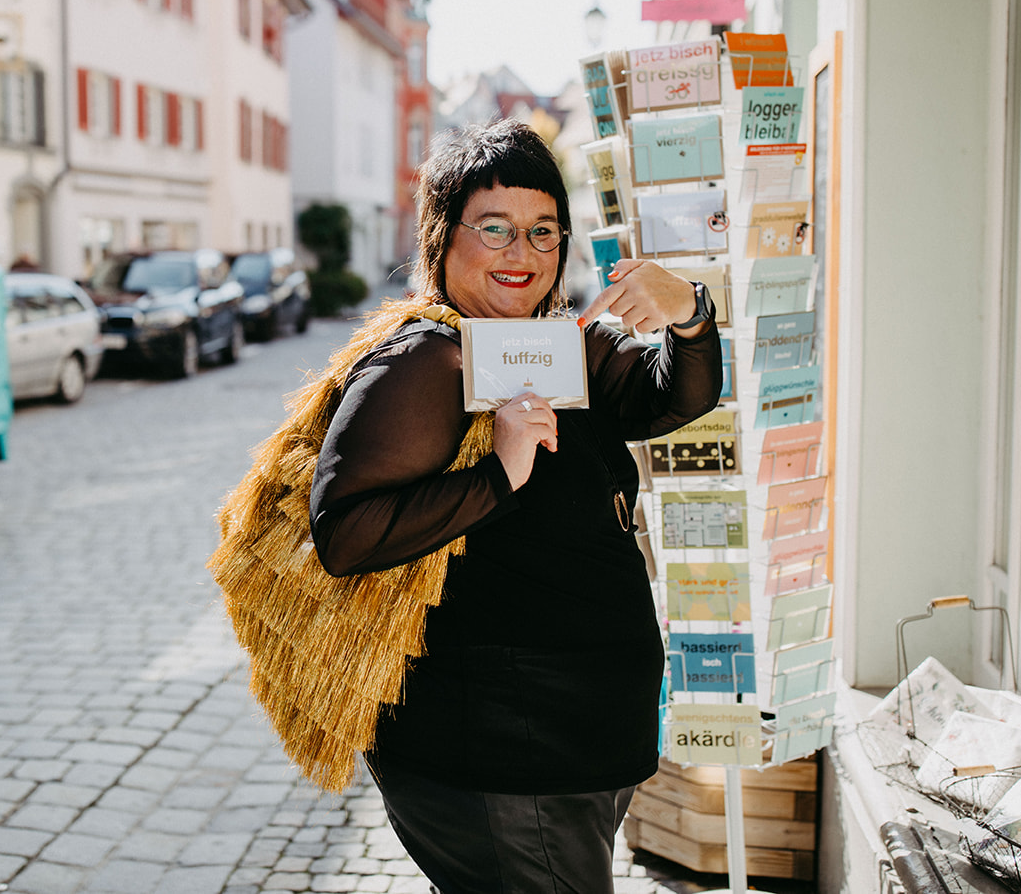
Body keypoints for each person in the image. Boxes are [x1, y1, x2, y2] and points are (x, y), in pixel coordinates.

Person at [309, 118, 721, 893]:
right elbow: (345, 532)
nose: (522, 253)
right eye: (494, 228)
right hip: (506, 755)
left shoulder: (558, 343)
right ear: (442, 237)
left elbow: (677, 394)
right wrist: (498, 473)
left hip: (575, 747)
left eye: (542, 231)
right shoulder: (426, 359)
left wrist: (689, 310)